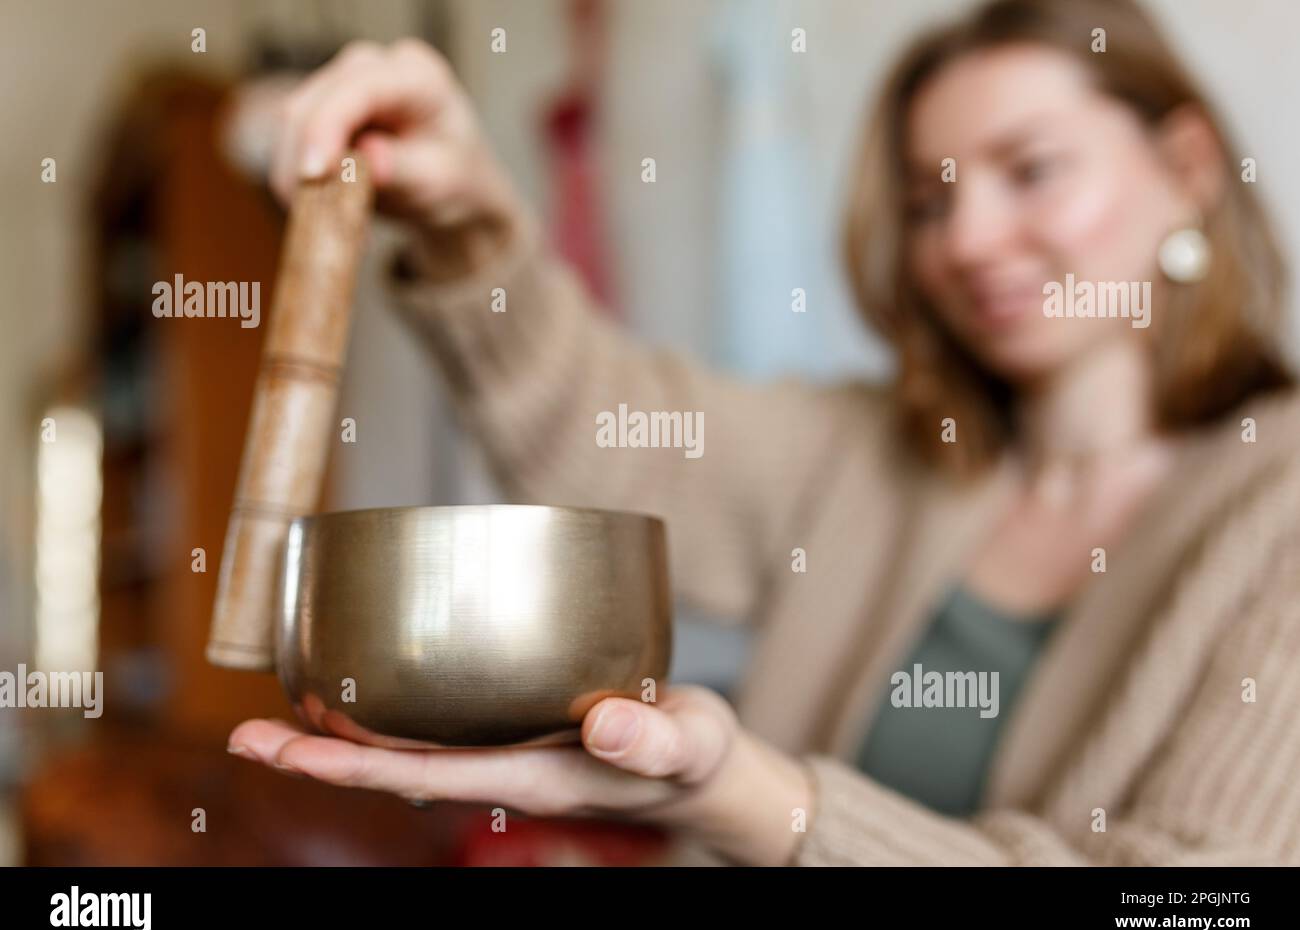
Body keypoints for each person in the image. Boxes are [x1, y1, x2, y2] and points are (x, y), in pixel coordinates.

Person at [228, 0, 1300, 865]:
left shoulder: (1280, 506)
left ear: (1189, 166)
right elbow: (602, 425)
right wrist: (465, 219)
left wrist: (758, 803)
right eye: (930, 200)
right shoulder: (871, 454)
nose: (966, 239)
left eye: (1030, 170)